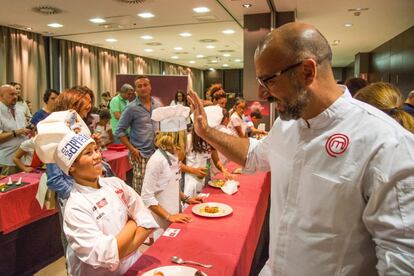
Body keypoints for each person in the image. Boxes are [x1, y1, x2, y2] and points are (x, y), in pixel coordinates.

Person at [187, 22, 414, 275]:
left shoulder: (386, 143)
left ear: (307, 72)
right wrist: (206, 132)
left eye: (269, 81)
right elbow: (254, 154)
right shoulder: (287, 126)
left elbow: (402, 259)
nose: (262, 94)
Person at [34, 111, 158, 275]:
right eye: (88, 153)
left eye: (96, 150)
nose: (97, 156)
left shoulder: (115, 184)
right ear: (71, 166)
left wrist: (121, 248)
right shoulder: (75, 207)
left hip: (134, 266)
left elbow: (147, 220)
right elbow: (107, 255)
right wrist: (133, 222)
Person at [141, 105, 203, 240]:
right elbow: (146, 197)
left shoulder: (173, 156)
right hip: (161, 221)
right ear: (176, 137)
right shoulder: (157, 160)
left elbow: (171, 185)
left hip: (174, 214)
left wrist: (187, 198)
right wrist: (169, 216)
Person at [116, 76, 162, 194]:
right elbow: (119, 131)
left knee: (157, 184)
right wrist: (132, 149)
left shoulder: (157, 104)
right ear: (135, 89)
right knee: (140, 188)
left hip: (158, 152)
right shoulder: (131, 108)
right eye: (139, 86)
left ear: (150, 87)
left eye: (145, 85)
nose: (143, 88)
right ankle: (139, 211)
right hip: (140, 153)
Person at [181, 105, 235, 197]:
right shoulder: (188, 139)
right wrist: (194, 170)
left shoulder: (210, 140)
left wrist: (223, 170)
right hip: (190, 182)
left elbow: (216, 160)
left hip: (206, 181)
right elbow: (178, 164)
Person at [0, 85, 31, 175]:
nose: (15, 97)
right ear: (1, 96)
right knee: (8, 188)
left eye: (16, 94)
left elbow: (25, 130)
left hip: (23, 161)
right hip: (7, 162)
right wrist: (17, 132)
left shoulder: (20, 111)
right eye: (11, 94)